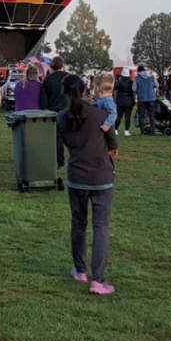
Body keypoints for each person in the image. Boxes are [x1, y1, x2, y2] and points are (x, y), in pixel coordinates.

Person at [56, 75, 118, 295]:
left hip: (77, 177)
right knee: (100, 227)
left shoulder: (61, 118)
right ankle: (98, 280)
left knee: (79, 223)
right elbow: (113, 142)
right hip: (100, 176)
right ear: (85, 89)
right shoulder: (100, 114)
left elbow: (64, 144)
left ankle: (80, 270)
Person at [133, 65, 157, 134]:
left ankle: (142, 131)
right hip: (151, 98)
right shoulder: (151, 77)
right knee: (152, 115)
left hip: (141, 99)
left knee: (141, 115)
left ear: (138, 71)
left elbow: (134, 89)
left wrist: (138, 91)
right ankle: (153, 131)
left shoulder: (137, 78)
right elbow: (157, 85)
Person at [112, 72, 135, 136]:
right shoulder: (131, 82)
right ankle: (126, 131)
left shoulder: (119, 83)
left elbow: (113, 88)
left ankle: (116, 130)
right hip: (129, 101)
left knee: (119, 116)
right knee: (128, 117)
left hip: (120, 101)